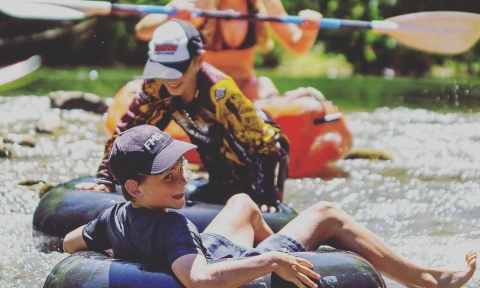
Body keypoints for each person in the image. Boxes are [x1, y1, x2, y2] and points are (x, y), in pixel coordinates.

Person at [64, 124, 477, 288]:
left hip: (207, 247)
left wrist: (123, 253)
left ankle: (285, 249)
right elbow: (200, 281)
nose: (183, 180)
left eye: (181, 168)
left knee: (242, 202)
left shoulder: (111, 217)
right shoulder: (173, 227)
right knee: (327, 212)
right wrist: (270, 264)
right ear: (134, 188)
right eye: (168, 177)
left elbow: (69, 245)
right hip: (220, 261)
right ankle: (428, 278)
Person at [76, 19, 289, 212]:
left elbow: (269, 145)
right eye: (163, 68)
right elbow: (128, 133)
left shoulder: (221, 93)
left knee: (249, 192)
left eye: (177, 68)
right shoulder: (156, 85)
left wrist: (267, 196)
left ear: (199, 60)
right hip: (220, 179)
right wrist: (105, 178)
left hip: (259, 171)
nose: (170, 78)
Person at [135, 0, 322, 100]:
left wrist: (309, 31)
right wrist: (172, 17)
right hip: (202, 89)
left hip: (245, 88)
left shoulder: (262, 0)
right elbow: (143, 30)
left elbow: (297, 46)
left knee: (264, 85)